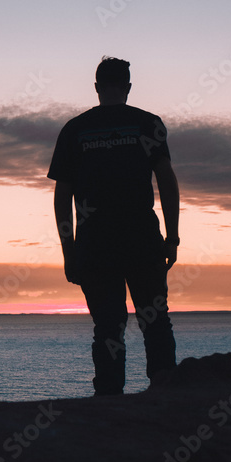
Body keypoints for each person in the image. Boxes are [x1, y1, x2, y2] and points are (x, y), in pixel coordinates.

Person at [47, 56, 179, 396]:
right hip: (142, 239)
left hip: (94, 245)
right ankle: (164, 394)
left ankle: (108, 398)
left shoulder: (75, 130)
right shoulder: (148, 124)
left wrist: (68, 251)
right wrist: (172, 236)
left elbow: (62, 197)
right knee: (154, 319)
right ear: (129, 87)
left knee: (108, 327)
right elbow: (167, 181)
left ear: (96, 87)